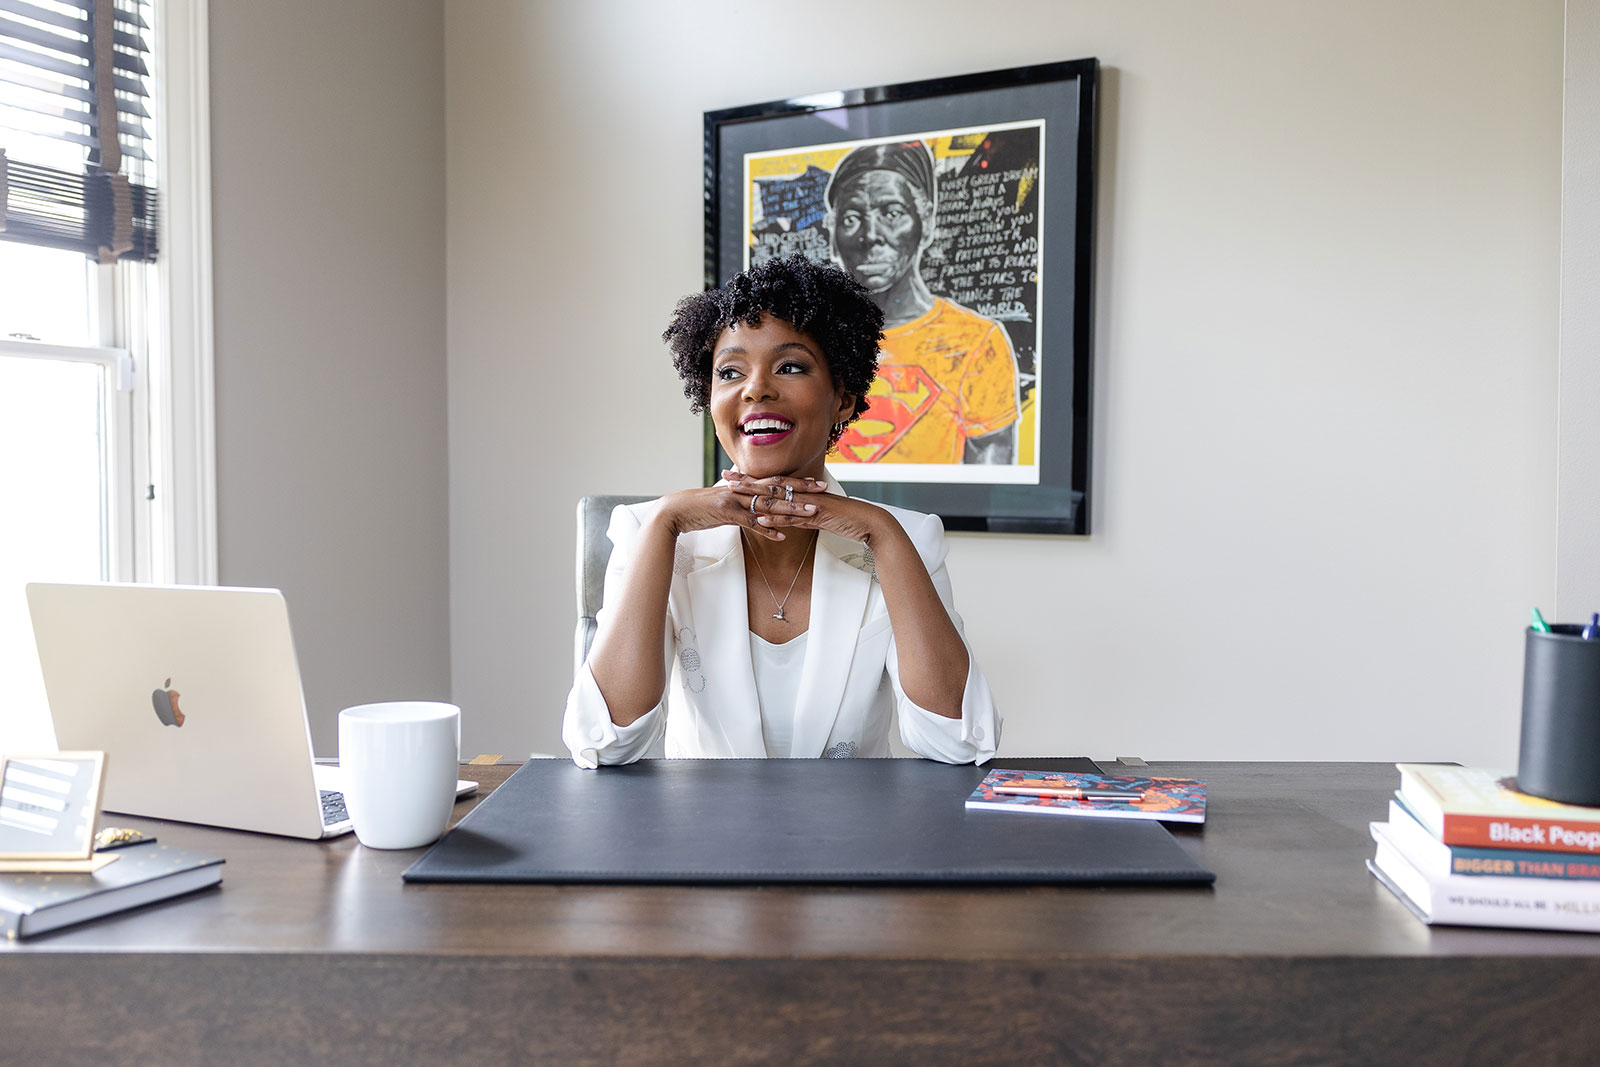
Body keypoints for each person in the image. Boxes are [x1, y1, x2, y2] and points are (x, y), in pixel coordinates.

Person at [561, 255, 1001, 767]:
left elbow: (959, 743)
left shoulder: (907, 537)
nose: (756, 388)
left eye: (790, 366)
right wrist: (664, 523)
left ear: (842, 399)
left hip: (850, 839)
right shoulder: (649, 530)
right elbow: (606, 746)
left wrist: (880, 531)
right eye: (730, 372)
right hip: (698, 838)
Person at [825, 140, 1021, 465]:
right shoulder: (809, 340)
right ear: (832, 235)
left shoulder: (975, 340)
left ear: (925, 222)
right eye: (851, 219)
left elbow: (991, 476)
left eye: (892, 213)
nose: (870, 235)